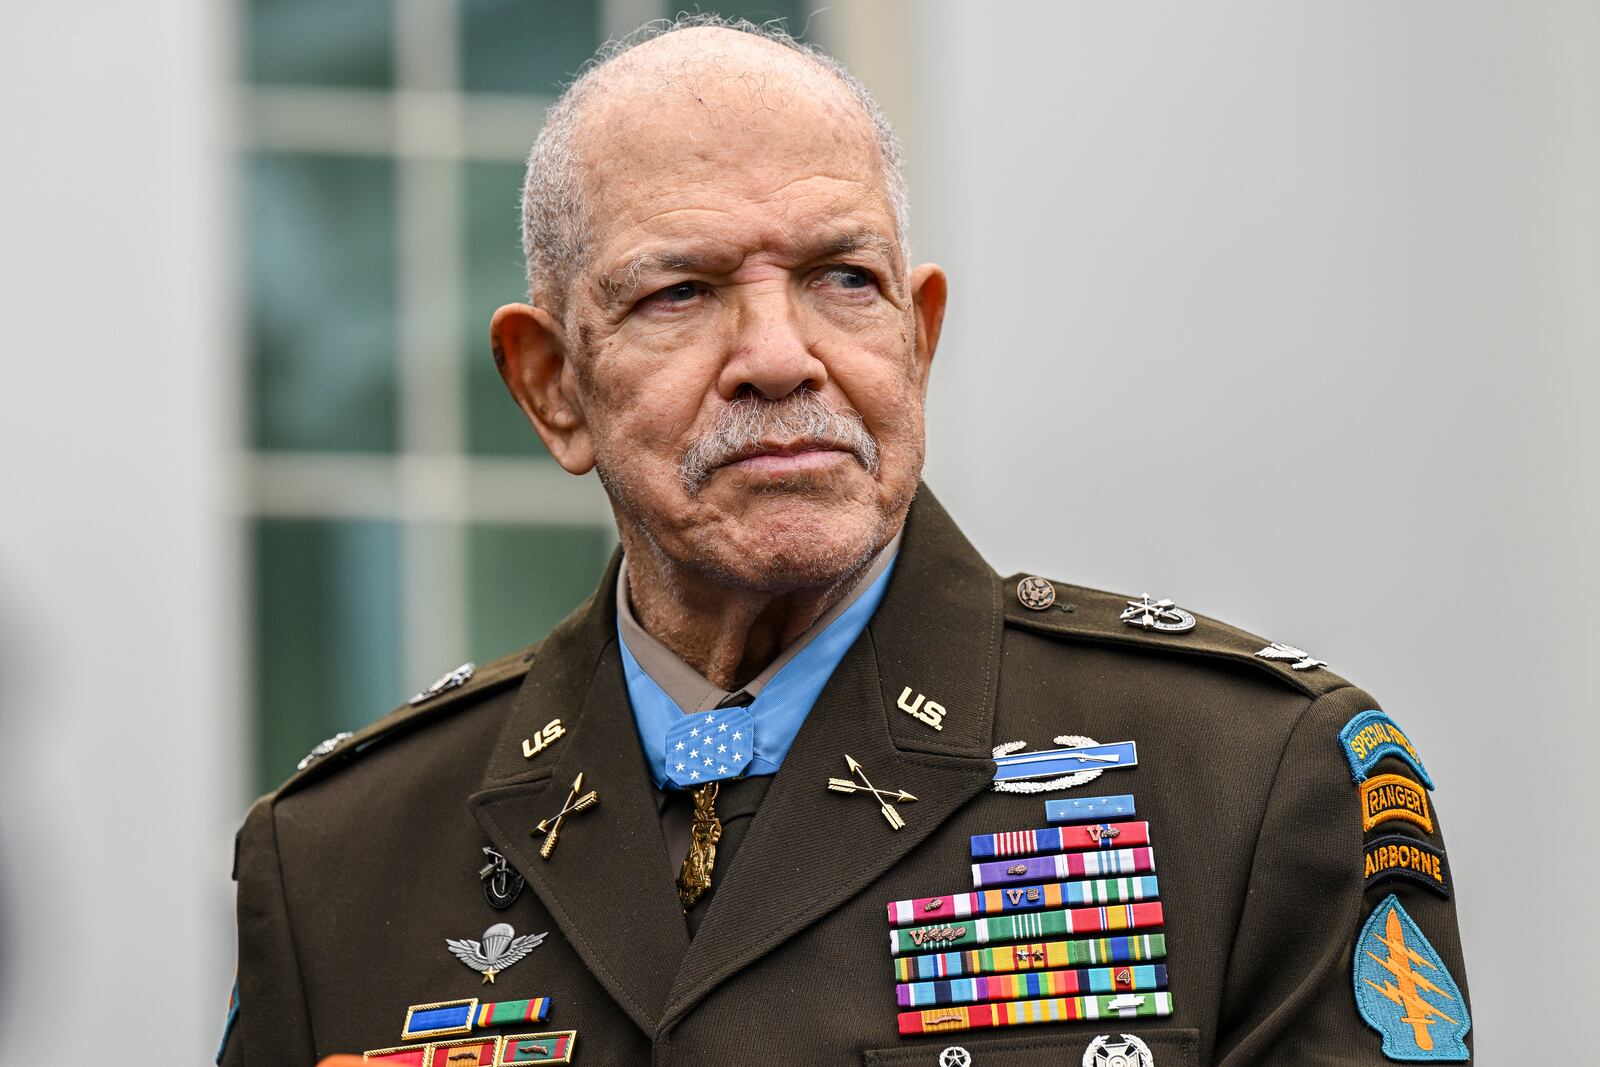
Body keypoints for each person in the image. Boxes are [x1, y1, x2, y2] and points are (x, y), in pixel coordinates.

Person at [221, 17, 1471, 1067]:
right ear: (551, 385)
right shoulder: (340, 861)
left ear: (917, 341)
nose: (778, 356)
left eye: (842, 279)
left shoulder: (1247, 783)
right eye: (682, 292)